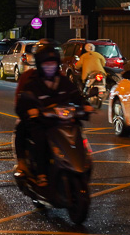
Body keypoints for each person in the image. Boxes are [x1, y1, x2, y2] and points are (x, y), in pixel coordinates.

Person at [14, 39, 89, 186]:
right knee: (38, 138)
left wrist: (85, 107)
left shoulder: (63, 81)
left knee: (78, 133)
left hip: (62, 121)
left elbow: (76, 96)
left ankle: (82, 165)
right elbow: (22, 103)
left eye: (52, 64)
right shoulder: (31, 82)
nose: (50, 67)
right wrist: (31, 111)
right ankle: (40, 173)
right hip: (42, 123)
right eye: (46, 64)